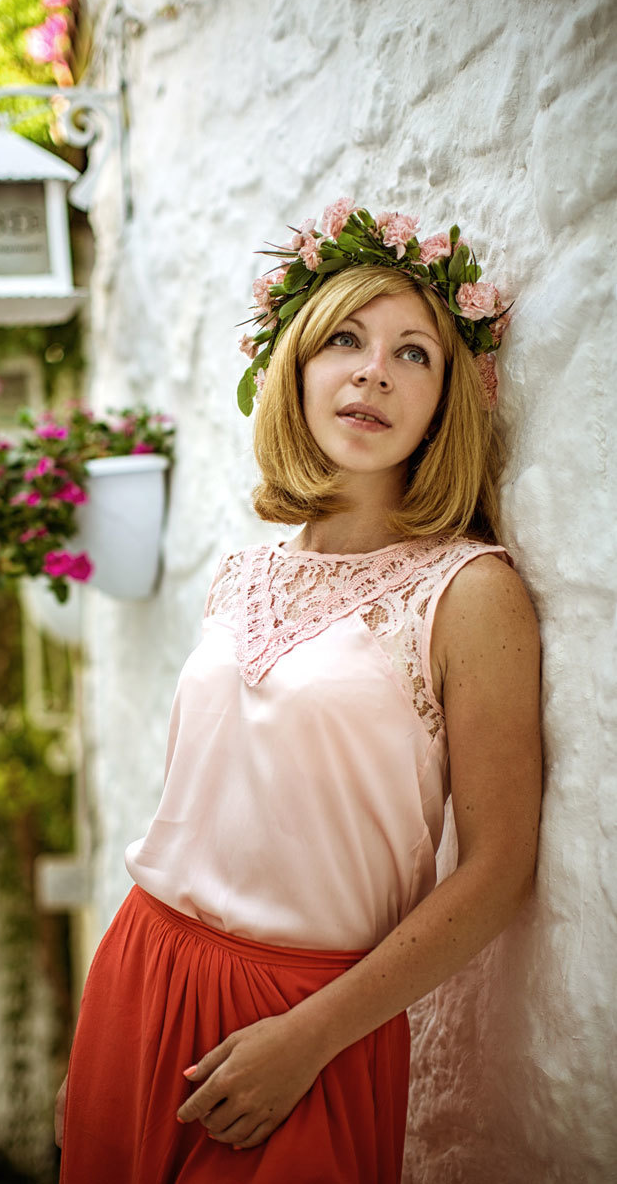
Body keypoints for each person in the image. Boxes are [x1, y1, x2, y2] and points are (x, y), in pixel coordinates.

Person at [55, 199, 542, 1183]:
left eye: (415, 353)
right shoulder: (240, 572)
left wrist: (309, 1036)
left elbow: (500, 867)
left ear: (447, 395)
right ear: (298, 369)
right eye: (346, 340)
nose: (372, 370)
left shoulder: (469, 590)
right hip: (141, 971)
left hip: (312, 1024)